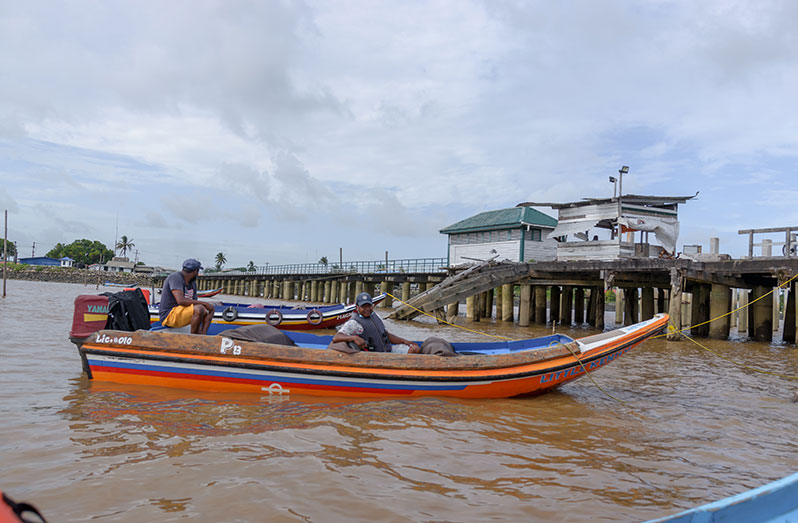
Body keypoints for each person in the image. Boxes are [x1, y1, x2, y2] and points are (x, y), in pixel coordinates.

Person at [332, 292, 421, 353]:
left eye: (369, 306)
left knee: (415, 349)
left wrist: (405, 341)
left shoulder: (376, 316)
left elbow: (386, 334)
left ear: (372, 305)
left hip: (388, 350)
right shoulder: (354, 323)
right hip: (375, 355)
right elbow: (337, 337)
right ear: (357, 307)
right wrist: (354, 338)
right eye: (363, 306)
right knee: (413, 351)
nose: (367, 309)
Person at [159, 258, 214, 334]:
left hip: (181, 312)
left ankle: (202, 336)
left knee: (210, 310)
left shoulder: (192, 283)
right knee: (199, 309)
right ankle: (192, 337)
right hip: (169, 315)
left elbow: (194, 302)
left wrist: (207, 306)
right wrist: (205, 303)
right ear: (195, 271)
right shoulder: (176, 277)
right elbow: (181, 300)